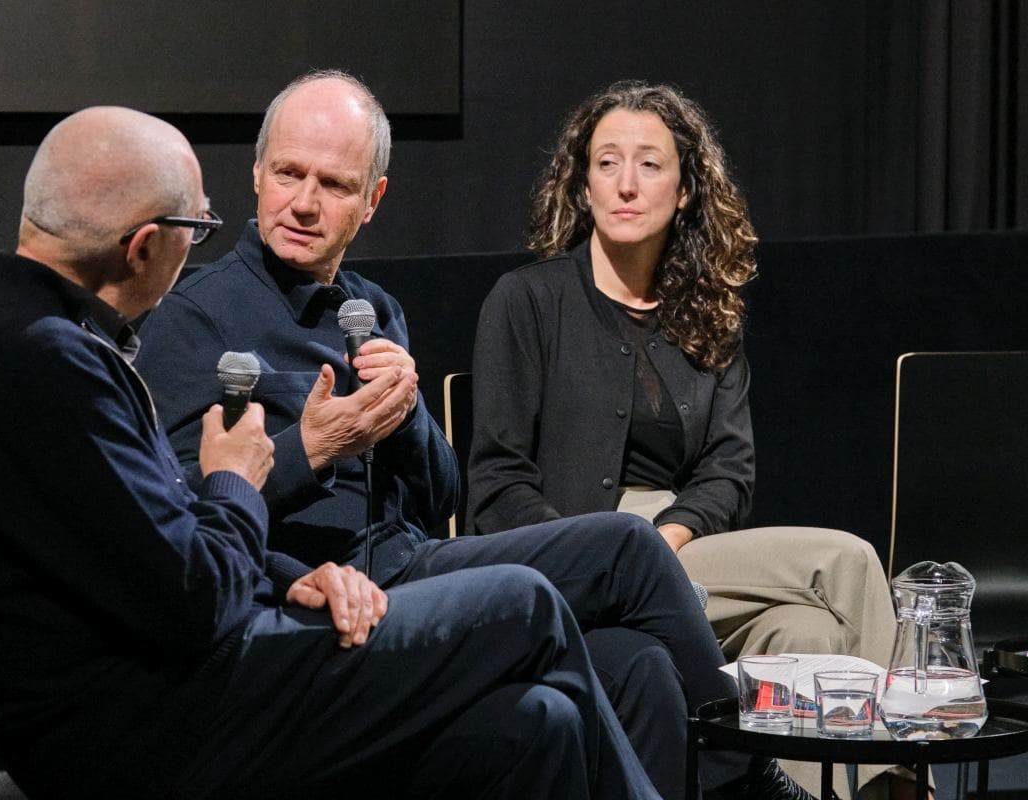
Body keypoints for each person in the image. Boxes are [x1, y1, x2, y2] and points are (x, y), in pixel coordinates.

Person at [0, 105, 663, 799]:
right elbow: (195, 597)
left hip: (182, 678)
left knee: (539, 720)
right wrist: (238, 478)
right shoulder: (44, 364)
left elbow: (153, 545)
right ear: (146, 247)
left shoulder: (27, 339)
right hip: (144, 725)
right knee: (523, 603)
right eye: (196, 229)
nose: (302, 202)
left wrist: (295, 578)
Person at [135, 69, 814, 800]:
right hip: (314, 594)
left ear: (372, 200)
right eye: (288, 175)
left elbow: (439, 499)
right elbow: (178, 520)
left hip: (412, 564)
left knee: (639, 662)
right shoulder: (195, 317)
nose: (304, 202)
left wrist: (406, 419)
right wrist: (315, 448)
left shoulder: (373, 309)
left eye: (333, 185)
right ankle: (757, 777)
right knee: (625, 547)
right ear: (256, 174)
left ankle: (736, 775)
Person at [465, 80, 916, 800]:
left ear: (683, 192)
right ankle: (902, 785)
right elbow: (497, 482)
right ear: (583, 185)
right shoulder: (527, 301)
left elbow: (729, 469)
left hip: (680, 546)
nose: (626, 184)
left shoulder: (706, 313)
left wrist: (670, 535)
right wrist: (594, 554)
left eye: (649, 164)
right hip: (577, 551)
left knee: (807, 631)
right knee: (848, 562)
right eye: (606, 163)